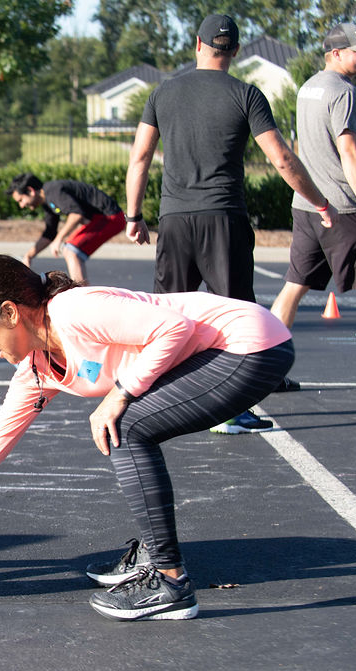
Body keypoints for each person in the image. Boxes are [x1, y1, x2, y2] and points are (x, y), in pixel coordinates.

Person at [0, 255, 294, 621]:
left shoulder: (73, 311)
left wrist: (120, 393)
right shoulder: (37, 367)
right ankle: (156, 553)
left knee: (126, 425)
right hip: (223, 354)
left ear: (10, 312)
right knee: (129, 426)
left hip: (249, 345)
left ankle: (170, 583)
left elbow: (174, 328)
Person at [125, 13, 336, 432]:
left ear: (198, 45)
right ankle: (230, 411)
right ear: (236, 52)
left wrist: (134, 215)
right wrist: (321, 203)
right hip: (224, 219)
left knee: (167, 316)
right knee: (236, 318)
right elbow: (281, 158)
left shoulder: (163, 93)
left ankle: (155, 404)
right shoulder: (247, 94)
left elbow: (141, 158)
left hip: (175, 220)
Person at [270, 22, 356, 393]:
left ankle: (267, 371)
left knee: (293, 287)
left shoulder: (309, 88)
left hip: (308, 206)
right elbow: (349, 149)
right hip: (343, 207)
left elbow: (344, 131)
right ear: (335, 53)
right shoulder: (346, 92)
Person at [8, 173, 125, 282]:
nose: (22, 205)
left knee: (71, 250)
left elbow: (76, 214)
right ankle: (82, 292)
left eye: (21, 200)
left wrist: (59, 239)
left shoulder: (53, 191)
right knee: (71, 250)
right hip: (102, 218)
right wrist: (29, 256)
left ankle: (82, 295)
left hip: (110, 217)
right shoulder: (47, 202)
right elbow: (49, 233)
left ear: (30, 190)